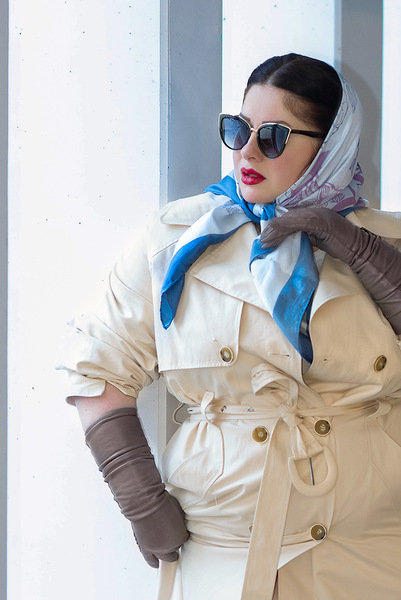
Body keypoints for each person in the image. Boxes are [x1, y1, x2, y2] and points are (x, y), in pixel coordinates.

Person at [58, 53, 401, 600]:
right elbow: (98, 368)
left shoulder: (385, 244)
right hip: (226, 545)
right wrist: (139, 499)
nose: (246, 152)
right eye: (238, 130)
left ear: (330, 145)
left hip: (370, 544)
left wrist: (360, 250)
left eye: (273, 137)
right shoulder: (173, 238)